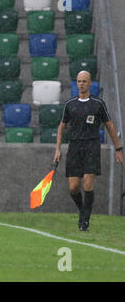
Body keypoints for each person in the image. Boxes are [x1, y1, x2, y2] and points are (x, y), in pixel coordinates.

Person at [53, 70, 123, 231]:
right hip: (74, 147)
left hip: (91, 145)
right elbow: (62, 127)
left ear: (90, 83)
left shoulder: (98, 104)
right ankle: (83, 210)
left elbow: (110, 126)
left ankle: (85, 220)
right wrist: (57, 149)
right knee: (73, 187)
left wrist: (118, 148)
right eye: (79, 81)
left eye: (84, 81)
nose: (81, 84)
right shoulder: (70, 104)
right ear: (76, 83)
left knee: (88, 181)